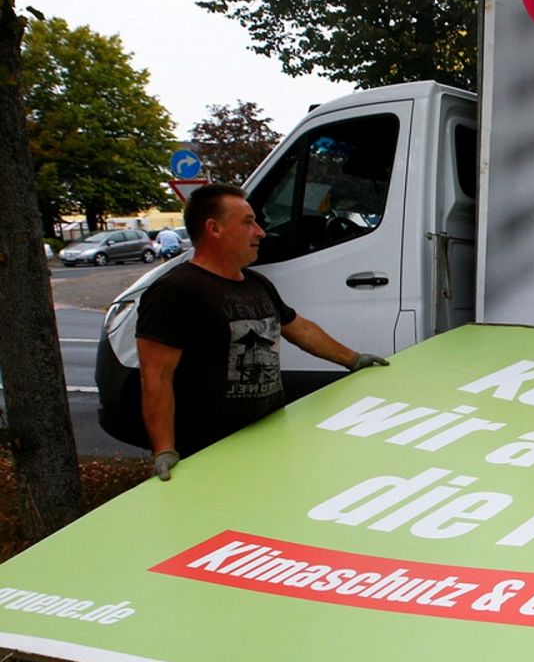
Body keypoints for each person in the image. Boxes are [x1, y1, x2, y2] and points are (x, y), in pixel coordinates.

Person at [136, 184, 389, 481]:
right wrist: (164, 449)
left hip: (268, 437)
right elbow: (156, 376)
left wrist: (354, 359)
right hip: (212, 451)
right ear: (214, 228)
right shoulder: (174, 291)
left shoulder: (257, 283)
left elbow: (299, 328)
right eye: (248, 223)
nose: (260, 232)